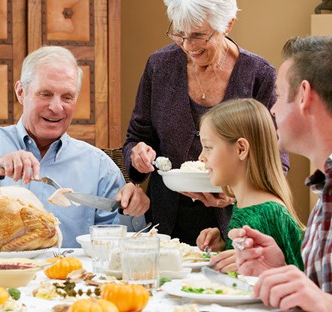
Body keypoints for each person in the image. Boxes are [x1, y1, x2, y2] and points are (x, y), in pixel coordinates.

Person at [0, 46, 149, 247]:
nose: (56, 107)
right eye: (45, 94)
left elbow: (122, 246)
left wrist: (132, 211)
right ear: (21, 92)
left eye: (67, 97)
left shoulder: (99, 166)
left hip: (67, 284)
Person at [123, 0, 289, 246]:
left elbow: (275, 159)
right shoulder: (159, 66)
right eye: (180, 34)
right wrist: (137, 154)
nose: (188, 46)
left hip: (237, 227)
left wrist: (233, 194)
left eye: (199, 36)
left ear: (228, 25)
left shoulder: (258, 74)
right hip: (163, 224)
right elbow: (136, 137)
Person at [230, 36, 332, 311]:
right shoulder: (331, 184)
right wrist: (278, 269)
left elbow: (327, 301)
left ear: (303, 95)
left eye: (277, 95)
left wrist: (328, 303)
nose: (272, 109)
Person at [194, 98, 304, 273]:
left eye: (208, 147)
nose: (201, 157)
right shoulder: (242, 204)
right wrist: (224, 248)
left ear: (241, 149)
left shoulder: (271, 213)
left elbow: (299, 278)